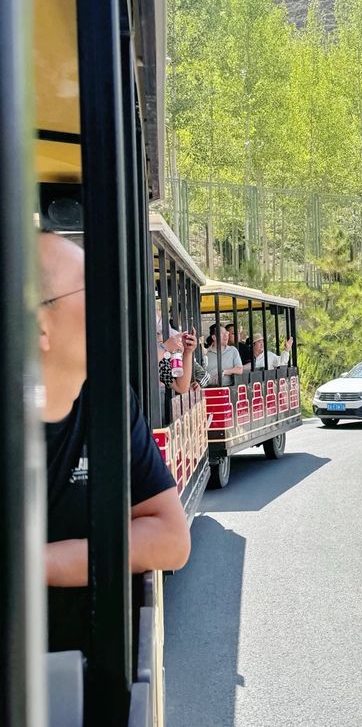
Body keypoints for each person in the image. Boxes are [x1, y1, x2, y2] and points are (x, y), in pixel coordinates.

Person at [39, 232, 191, 653]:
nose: (112, 301)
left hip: (90, 679)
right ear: (38, 326)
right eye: (90, 287)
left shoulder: (109, 399)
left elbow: (171, 540)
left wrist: (33, 564)